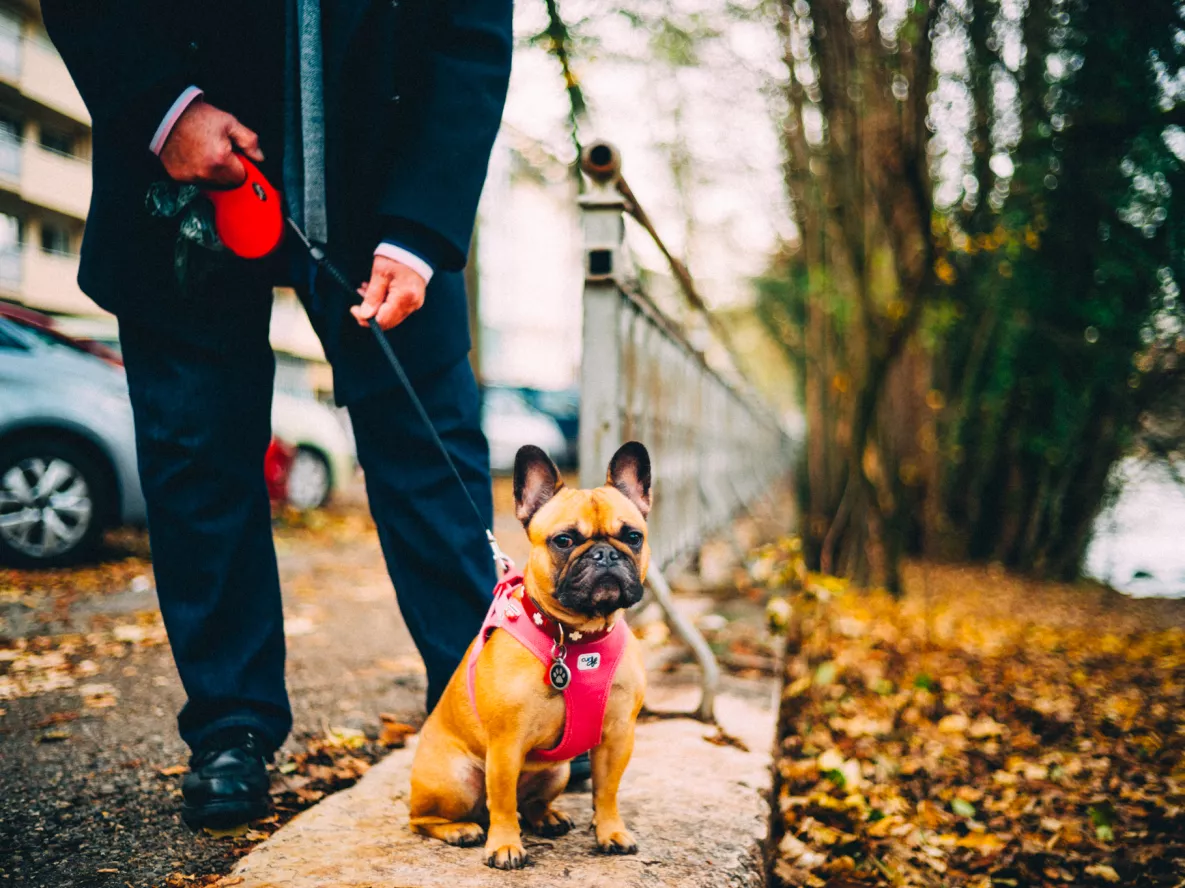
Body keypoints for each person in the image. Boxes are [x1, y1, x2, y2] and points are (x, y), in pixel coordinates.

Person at [40, 0, 561, 830]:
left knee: (432, 454)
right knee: (196, 457)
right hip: (181, 177)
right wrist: (162, 107)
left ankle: (484, 714)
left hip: (389, 186)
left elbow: (469, 33)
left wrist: (421, 230)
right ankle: (230, 728)